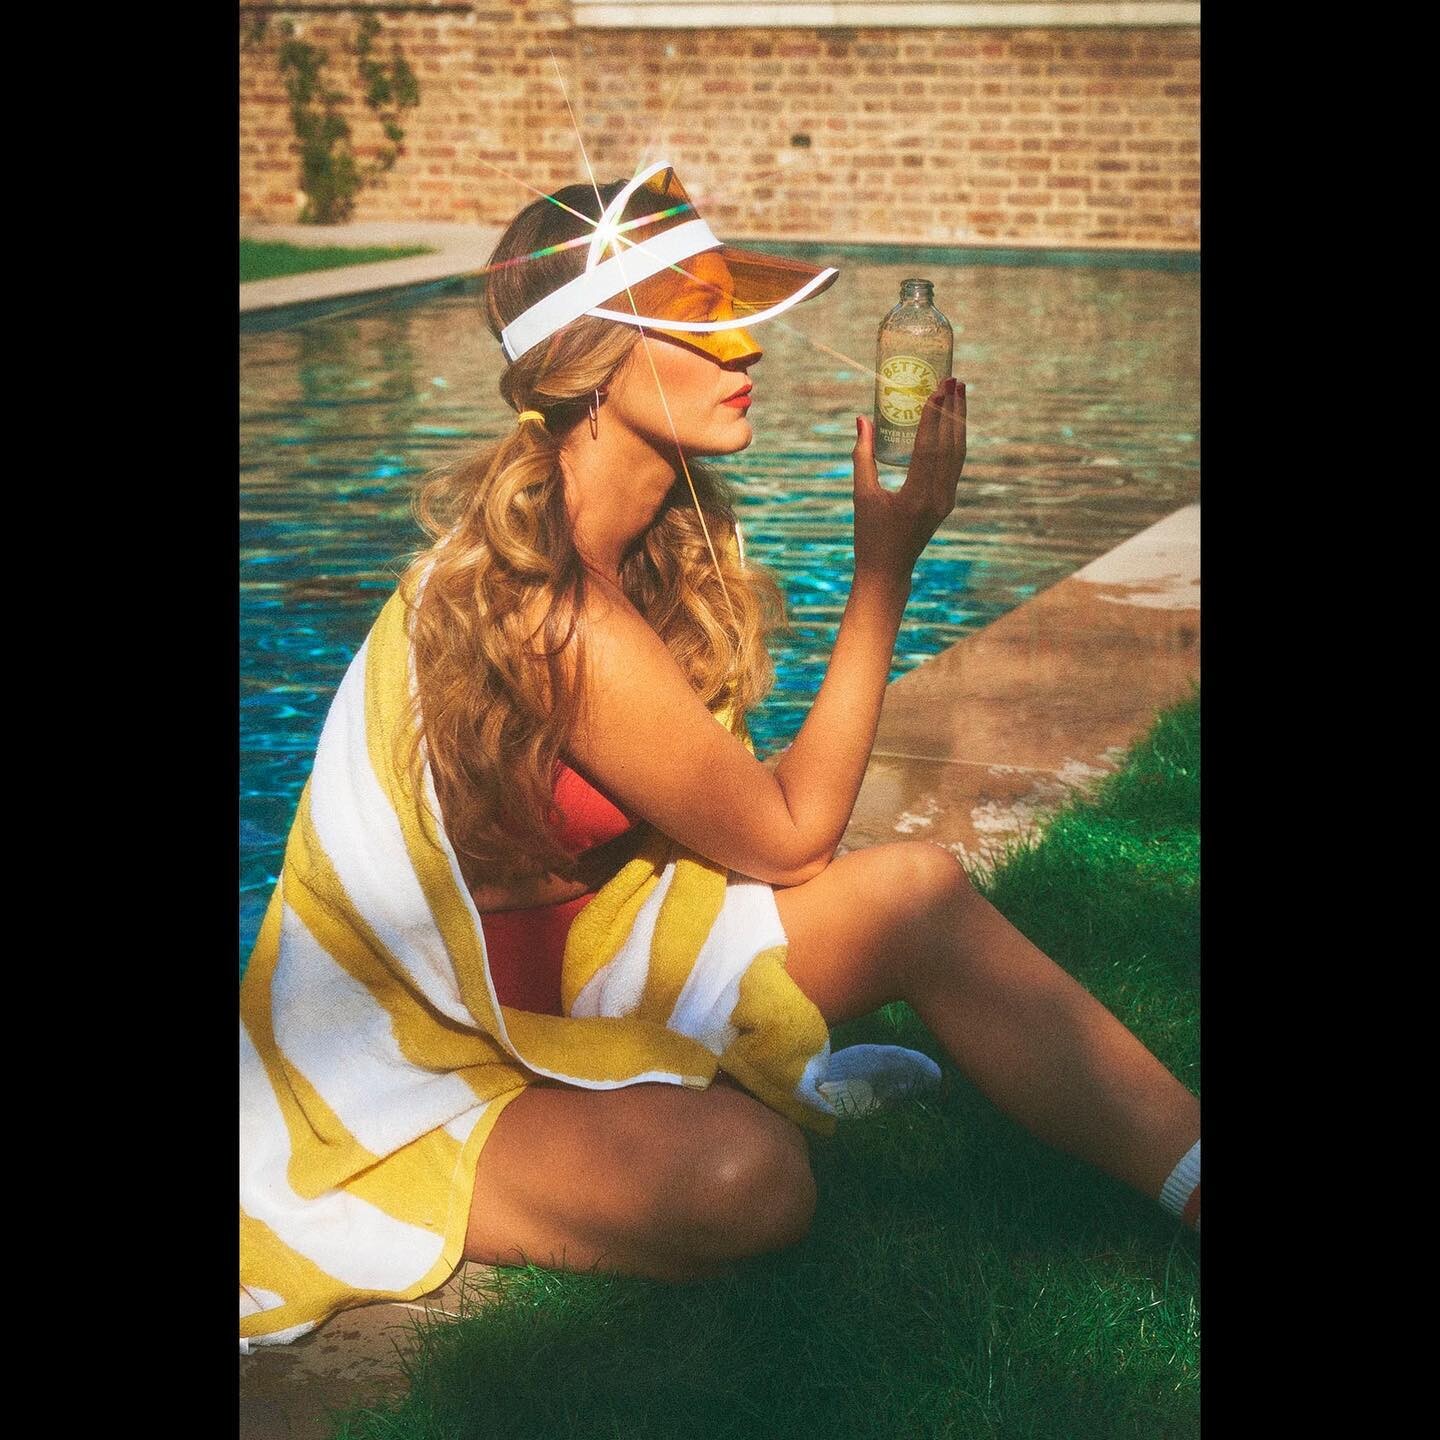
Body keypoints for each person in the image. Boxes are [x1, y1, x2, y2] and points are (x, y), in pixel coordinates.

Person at [240, 163, 1199, 1351]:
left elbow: (774, 833)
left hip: (597, 976)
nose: (745, 347)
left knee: (920, 893)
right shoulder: (551, 614)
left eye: (733, 311)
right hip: (437, 1065)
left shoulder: (658, 542)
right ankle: (544, 1139)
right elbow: (791, 839)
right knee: (751, 1180)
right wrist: (886, 566)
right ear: (593, 359)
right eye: (699, 319)